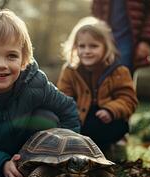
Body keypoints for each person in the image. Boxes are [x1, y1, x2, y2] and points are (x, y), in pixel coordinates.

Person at [0, 10, 80, 177]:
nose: (1, 65)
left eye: (11, 56)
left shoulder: (36, 84)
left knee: (48, 117)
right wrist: (1, 163)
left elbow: (67, 108)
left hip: (38, 154)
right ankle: (9, 164)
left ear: (23, 60)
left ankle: (45, 170)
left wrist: (68, 154)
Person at [57, 17, 138, 162]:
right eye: (82, 46)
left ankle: (104, 147)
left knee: (118, 126)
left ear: (105, 47)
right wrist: (71, 112)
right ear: (76, 47)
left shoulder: (119, 71)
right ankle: (81, 149)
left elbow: (128, 99)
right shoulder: (70, 70)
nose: (87, 51)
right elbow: (63, 96)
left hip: (106, 119)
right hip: (79, 118)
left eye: (93, 46)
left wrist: (111, 110)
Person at [91, 0, 150, 74]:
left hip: (129, 41)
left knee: (121, 75)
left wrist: (146, 41)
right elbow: (96, 9)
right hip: (104, 38)